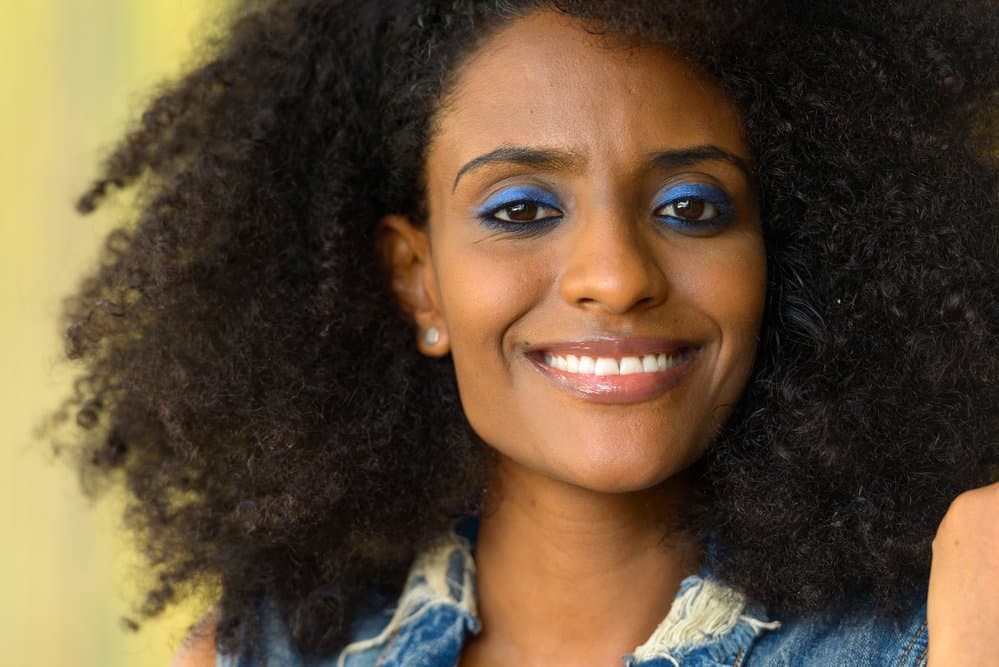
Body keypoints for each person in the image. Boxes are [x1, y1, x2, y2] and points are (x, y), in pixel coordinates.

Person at [55, 1, 998, 665]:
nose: (616, 275)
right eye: (518, 211)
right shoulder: (260, 656)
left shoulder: (951, 620)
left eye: (690, 205)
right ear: (416, 280)